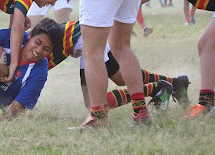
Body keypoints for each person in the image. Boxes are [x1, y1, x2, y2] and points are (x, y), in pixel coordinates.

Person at [48, 20, 191, 110]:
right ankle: (177, 83)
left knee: (93, 103)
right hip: (87, 34)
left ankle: (157, 88)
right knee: (121, 78)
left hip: (87, 38)